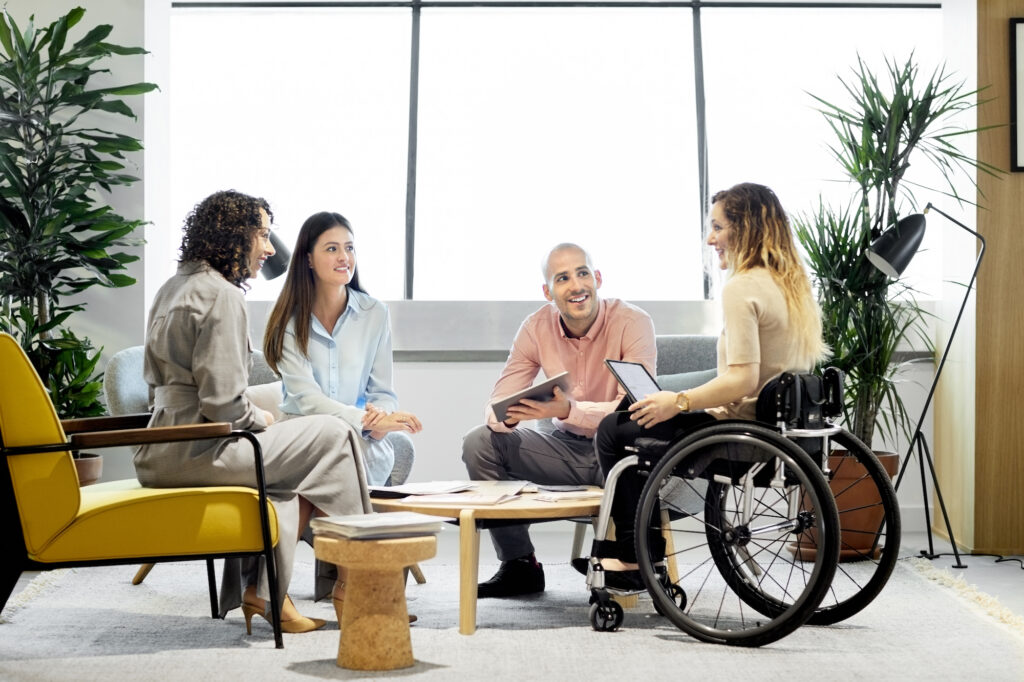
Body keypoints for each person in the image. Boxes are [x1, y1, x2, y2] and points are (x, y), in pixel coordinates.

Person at [135, 190, 371, 634]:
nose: (267, 247)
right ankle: (360, 585)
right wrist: (262, 420)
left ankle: (267, 594)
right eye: (262, 234)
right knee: (336, 435)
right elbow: (223, 403)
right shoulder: (222, 295)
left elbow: (168, 385)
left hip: (159, 448)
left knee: (287, 475)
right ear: (233, 235)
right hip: (201, 450)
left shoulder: (173, 287)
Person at [592, 182, 829, 589]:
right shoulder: (793, 284)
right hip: (785, 433)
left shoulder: (742, 288)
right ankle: (642, 550)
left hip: (741, 436)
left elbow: (742, 379)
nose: (710, 238)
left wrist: (678, 402)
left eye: (718, 227)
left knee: (614, 430)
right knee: (632, 414)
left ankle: (635, 556)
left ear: (746, 228)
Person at [462, 243, 657, 598]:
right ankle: (520, 566)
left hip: (617, 453)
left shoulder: (633, 322)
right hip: (563, 449)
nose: (576, 286)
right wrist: (514, 414)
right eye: (562, 278)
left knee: (629, 439)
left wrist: (569, 411)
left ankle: (634, 561)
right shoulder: (536, 327)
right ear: (548, 292)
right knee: (480, 442)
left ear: (597, 279)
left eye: (583, 273)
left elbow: (636, 410)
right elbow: (497, 404)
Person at [263, 211, 422, 487]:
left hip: (358, 436)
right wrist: (365, 420)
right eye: (332, 249)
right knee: (340, 456)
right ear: (309, 259)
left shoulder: (375, 314)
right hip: (301, 434)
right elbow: (307, 400)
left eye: (349, 248)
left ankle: (341, 526)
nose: (344, 257)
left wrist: (380, 418)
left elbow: (383, 392)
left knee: (354, 454)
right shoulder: (287, 318)